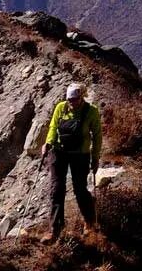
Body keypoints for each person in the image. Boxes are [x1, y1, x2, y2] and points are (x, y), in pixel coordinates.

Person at [39, 83, 102, 240]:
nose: (72, 103)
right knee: (56, 189)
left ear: (81, 97)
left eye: (75, 99)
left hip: (80, 154)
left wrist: (95, 158)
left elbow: (97, 135)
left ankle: (89, 223)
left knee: (80, 189)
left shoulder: (91, 111)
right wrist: (48, 142)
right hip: (59, 152)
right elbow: (53, 126)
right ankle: (55, 230)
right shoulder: (61, 107)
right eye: (70, 100)